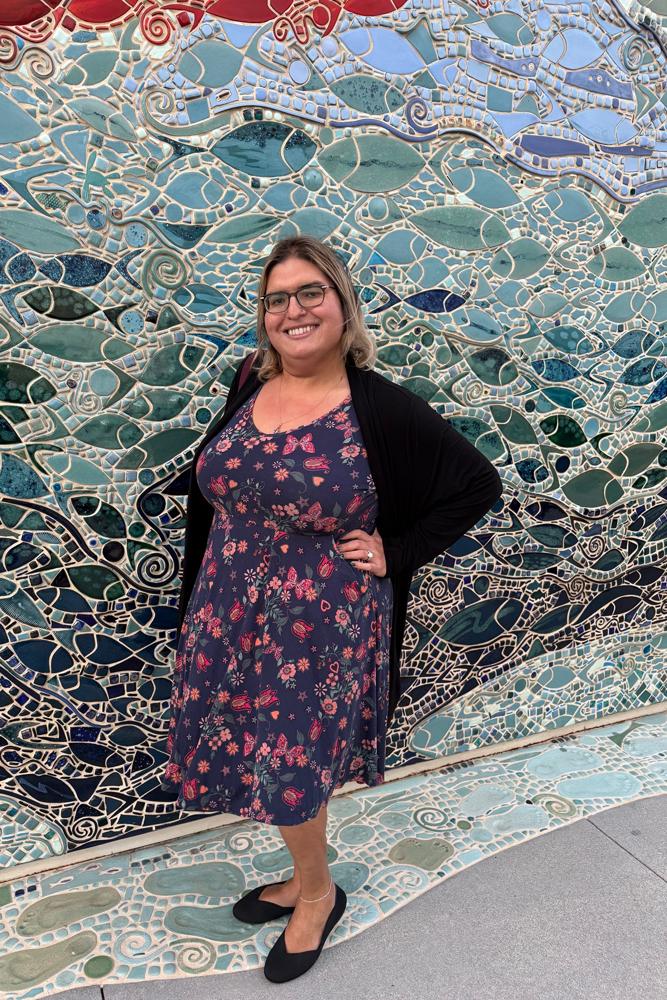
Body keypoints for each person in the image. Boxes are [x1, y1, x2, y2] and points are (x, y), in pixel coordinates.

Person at [161, 236, 502, 982]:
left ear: (343, 305)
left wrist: (396, 551)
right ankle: (302, 876)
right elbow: (217, 492)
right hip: (229, 605)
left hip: (317, 622)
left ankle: (316, 894)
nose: (294, 309)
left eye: (311, 292)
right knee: (253, 747)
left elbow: (478, 484)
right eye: (277, 298)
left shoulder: (379, 407)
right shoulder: (249, 381)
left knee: (291, 761)